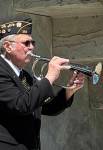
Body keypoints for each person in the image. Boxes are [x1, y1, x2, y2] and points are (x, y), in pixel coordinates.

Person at [0, 15, 84, 150]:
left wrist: (70, 89)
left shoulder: (25, 76)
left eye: (33, 43)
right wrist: (49, 77)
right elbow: (21, 105)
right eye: (26, 43)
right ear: (8, 47)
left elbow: (47, 107)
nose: (32, 47)